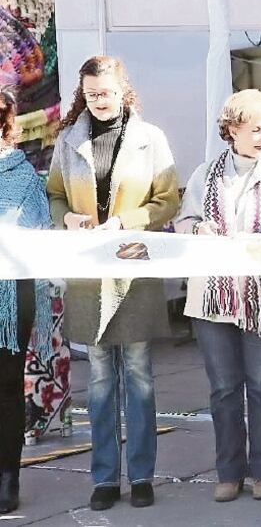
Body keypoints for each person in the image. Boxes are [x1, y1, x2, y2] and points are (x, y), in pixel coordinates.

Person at [47, 56, 180, 511]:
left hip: (135, 271)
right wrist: (65, 217)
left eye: (105, 92)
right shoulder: (68, 139)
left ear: (123, 90)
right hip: (88, 277)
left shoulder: (150, 138)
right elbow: (54, 193)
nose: (98, 101)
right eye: (90, 94)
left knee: (140, 377)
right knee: (100, 381)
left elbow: (168, 200)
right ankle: (105, 478)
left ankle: (141, 475)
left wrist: (125, 222)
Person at [175, 89, 261, 502]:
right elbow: (184, 221)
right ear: (231, 129)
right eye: (254, 128)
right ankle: (229, 472)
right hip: (213, 298)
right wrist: (199, 230)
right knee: (224, 389)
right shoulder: (203, 176)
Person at [0, 88, 54, 514]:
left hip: (10, 299)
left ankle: (8, 476)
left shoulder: (26, 179)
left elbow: (41, 241)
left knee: (5, 389)